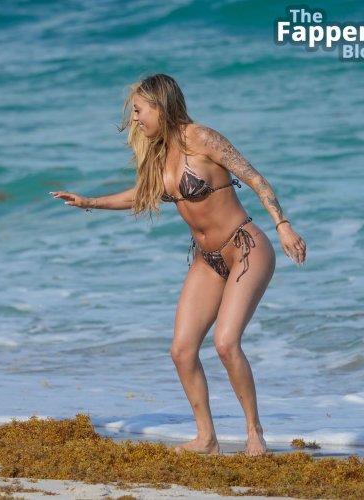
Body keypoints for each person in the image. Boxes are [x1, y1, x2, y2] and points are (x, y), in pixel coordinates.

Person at [51, 74, 306, 456]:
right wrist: (90, 202)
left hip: (246, 247)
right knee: (182, 351)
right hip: (207, 259)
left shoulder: (200, 138)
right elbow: (141, 195)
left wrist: (283, 225)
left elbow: (254, 177)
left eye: (139, 110)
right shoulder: (159, 154)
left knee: (225, 343)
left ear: (161, 106)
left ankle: (254, 433)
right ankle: (206, 438)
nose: (135, 118)